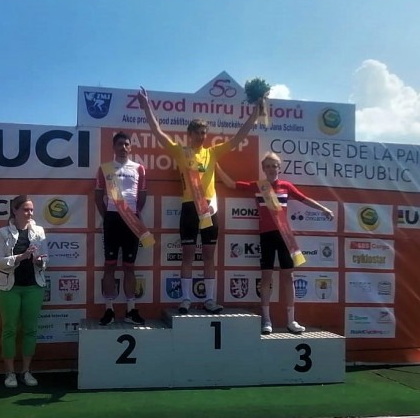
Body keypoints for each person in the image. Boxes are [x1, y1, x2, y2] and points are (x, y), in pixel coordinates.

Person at [137, 86, 262, 314]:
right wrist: (146, 107)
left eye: (204, 133)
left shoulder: (212, 152)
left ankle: (209, 300)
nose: (201, 136)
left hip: (209, 209)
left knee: (208, 255)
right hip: (188, 208)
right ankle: (185, 299)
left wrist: (255, 113)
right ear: (189, 134)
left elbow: (239, 137)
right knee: (187, 255)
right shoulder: (180, 151)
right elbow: (157, 132)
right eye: (197, 132)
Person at [217, 151, 333, 333]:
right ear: (263, 168)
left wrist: (323, 208)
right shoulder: (258, 186)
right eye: (268, 166)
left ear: (279, 168)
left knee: (289, 277)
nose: (271, 169)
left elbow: (304, 199)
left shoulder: (286, 185)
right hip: (266, 236)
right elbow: (231, 184)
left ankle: (291, 321)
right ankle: (266, 320)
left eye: (274, 166)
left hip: (284, 236)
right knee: (266, 277)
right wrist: (215, 165)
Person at [95, 131, 149, 327]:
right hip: (112, 219)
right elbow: (98, 195)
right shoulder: (105, 168)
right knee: (109, 265)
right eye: (120, 144)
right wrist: (106, 217)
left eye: (127, 144)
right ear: (114, 147)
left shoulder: (139, 168)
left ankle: (131, 309)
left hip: (131, 221)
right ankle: (108, 309)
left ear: (130, 147)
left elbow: (142, 195)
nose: (124, 148)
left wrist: (134, 214)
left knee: (129, 266)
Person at [0, 195, 47, 388]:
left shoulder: (39, 231)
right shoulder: (3, 232)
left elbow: (45, 259)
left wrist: (39, 261)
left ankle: (26, 371)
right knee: (9, 330)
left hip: (34, 287)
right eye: (25, 209)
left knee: (30, 330)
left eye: (31, 210)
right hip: (9, 289)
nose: (29, 213)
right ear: (14, 211)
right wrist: (21, 257)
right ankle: (10, 373)